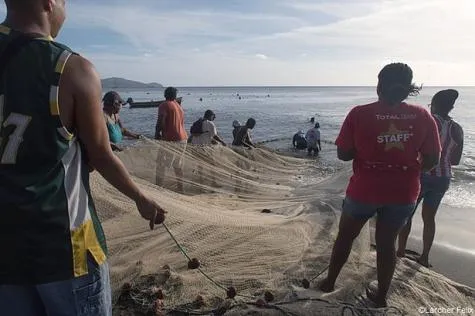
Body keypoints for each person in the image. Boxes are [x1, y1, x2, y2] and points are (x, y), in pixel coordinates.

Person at [0, 1, 166, 315]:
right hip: (65, 250)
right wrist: (140, 197)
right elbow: (102, 156)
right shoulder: (70, 68)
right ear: (48, 4)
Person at [318, 63, 441, 307]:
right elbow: (433, 160)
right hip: (403, 193)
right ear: (408, 89)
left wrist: (366, 148)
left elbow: (343, 154)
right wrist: (409, 169)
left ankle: (329, 282)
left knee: (345, 237)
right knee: (387, 245)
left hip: (364, 190)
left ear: (378, 85)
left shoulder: (359, 114)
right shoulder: (422, 116)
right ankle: (381, 297)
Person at [397, 89, 463, 267]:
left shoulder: (429, 121)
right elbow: (455, 160)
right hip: (443, 178)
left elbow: (412, 147)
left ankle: (401, 251)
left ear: (433, 105)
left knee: (407, 215)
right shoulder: (457, 129)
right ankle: (425, 257)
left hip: (421, 174)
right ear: (451, 107)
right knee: (429, 218)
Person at [155, 87, 187, 192]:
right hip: (183, 139)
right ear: (175, 96)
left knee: (161, 163)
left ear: (165, 95)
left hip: (171, 139)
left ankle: (158, 187)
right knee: (178, 165)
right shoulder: (179, 106)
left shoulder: (164, 105)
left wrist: (157, 134)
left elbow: (161, 121)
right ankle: (180, 188)